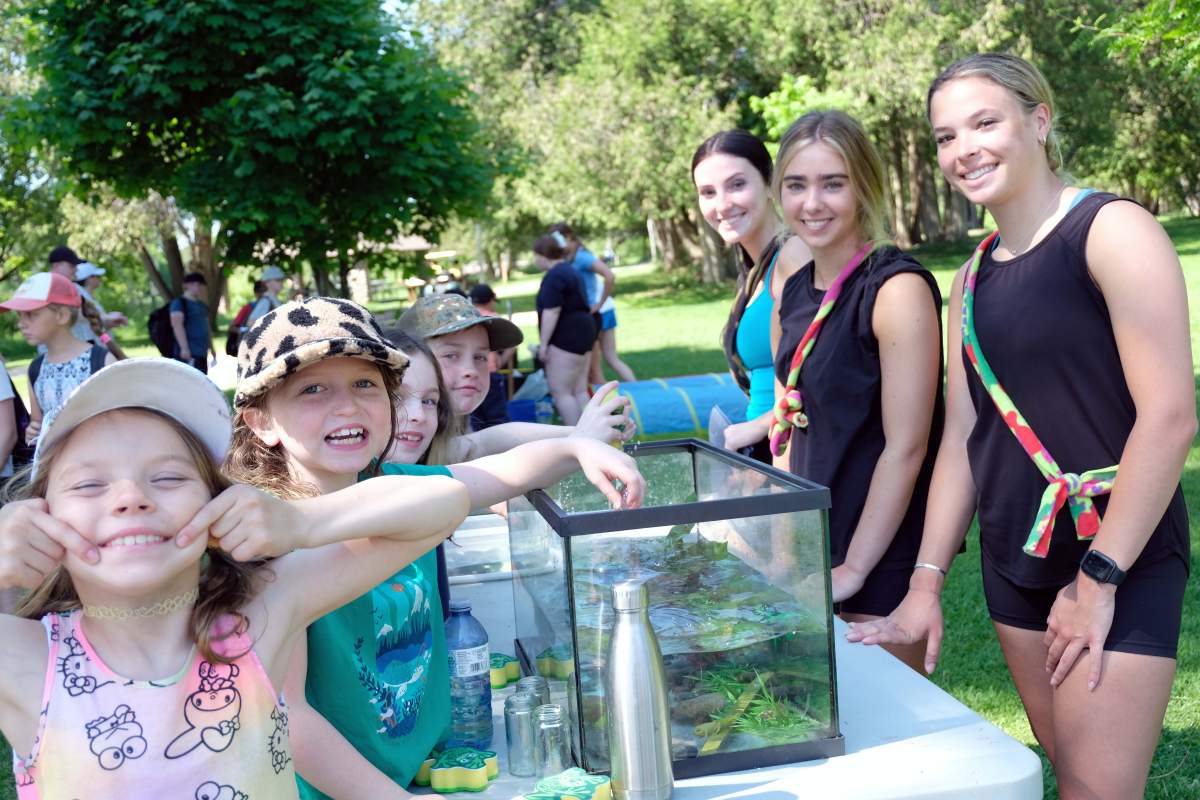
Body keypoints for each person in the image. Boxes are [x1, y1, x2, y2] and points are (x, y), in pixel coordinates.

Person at [847, 54, 1193, 798]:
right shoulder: (969, 278)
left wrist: (1098, 579)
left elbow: (1169, 418)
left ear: (1038, 120)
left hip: (1117, 557)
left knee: (1097, 790)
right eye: (945, 136)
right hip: (1014, 565)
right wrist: (926, 583)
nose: (962, 149)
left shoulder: (1112, 231)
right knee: (1066, 767)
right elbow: (963, 442)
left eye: (983, 123)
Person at [222, 298, 641, 798]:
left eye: (366, 384)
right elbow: (287, 715)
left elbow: (499, 473)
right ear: (260, 420)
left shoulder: (402, 485)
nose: (348, 406)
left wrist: (576, 446)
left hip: (417, 768)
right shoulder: (263, 545)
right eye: (313, 389)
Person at [0, 356, 470, 797]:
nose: (130, 498)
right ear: (41, 515)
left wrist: (303, 524)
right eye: (89, 485)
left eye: (167, 478)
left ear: (215, 505)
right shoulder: (26, 662)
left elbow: (443, 504)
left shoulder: (260, 618)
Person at [769, 110, 944, 672]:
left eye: (832, 184)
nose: (812, 203)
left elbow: (907, 447)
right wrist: (786, 542)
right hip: (816, 534)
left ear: (864, 186)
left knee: (893, 724)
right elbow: (791, 423)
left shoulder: (896, 288)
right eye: (796, 185)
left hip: (881, 544)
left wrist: (855, 568)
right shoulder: (794, 292)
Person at [692, 130, 813, 462]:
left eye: (736, 185)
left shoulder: (795, 256)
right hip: (766, 456)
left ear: (770, 182)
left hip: (795, 454)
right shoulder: (754, 271)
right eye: (708, 192)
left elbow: (826, 373)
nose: (722, 204)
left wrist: (759, 427)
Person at [1, 272, 114, 444]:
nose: (20, 323)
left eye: (31, 314)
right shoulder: (36, 369)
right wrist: (33, 431)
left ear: (62, 315)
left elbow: (115, 422)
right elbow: (38, 424)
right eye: (20, 315)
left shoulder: (101, 362)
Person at [398, 293, 523, 428]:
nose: (471, 371)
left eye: (480, 357)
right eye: (451, 355)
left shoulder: (467, 432)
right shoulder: (402, 439)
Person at [548, 223, 636, 385]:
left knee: (594, 370)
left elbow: (609, 276)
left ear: (568, 237)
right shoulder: (570, 257)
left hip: (598, 314)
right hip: (599, 312)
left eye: (556, 240)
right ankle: (638, 391)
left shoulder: (582, 257)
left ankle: (608, 405)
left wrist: (599, 304)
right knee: (610, 359)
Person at [532, 234, 598, 425]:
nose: (535, 260)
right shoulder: (571, 270)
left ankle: (577, 440)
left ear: (544, 255)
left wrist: (543, 346)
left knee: (561, 392)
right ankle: (593, 436)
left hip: (566, 337)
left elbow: (552, 311)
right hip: (585, 333)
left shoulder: (554, 276)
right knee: (578, 390)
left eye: (536, 255)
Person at [46, 246, 125, 359]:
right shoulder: (47, 289)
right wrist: (106, 319)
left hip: (91, 352)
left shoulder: (77, 290)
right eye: (72, 266)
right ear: (56, 266)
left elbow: (98, 329)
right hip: (68, 357)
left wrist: (107, 324)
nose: (76, 269)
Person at [466, 283, 515, 430]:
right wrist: (502, 360)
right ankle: (503, 446)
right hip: (490, 373)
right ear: (490, 300)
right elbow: (512, 346)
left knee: (475, 416)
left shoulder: (466, 317)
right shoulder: (493, 318)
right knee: (497, 415)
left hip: (471, 373)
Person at [169, 272, 215, 374]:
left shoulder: (202, 305)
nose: (197, 287)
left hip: (202, 353)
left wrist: (212, 348)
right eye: (194, 284)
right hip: (188, 353)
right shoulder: (179, 303)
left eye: (199, 284)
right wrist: (184, 348)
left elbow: (207, 327)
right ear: (186, 285)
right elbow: (177, 325)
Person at [73, 261, 129, 330]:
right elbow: (89, 322)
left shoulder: (90, 298)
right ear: (89, 279)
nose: (100, 278)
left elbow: (99, 329)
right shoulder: (82, 298)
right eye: (98, 276)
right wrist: (108, 317)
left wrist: (110, 321)